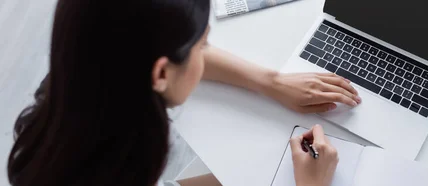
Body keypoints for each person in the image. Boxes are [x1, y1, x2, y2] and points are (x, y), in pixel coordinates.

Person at [6, 0, 361, 186]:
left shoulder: (76, 87)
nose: (205, 52)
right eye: (202, 44)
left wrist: (270, 81)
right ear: (160, 72)